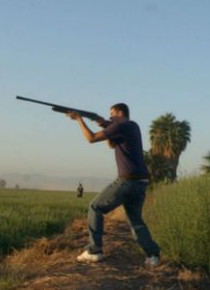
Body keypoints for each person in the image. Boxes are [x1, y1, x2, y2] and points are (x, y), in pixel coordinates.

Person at [69, 102, 161, 267]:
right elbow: (112, 144)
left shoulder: (122, 125)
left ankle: (94, 250)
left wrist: (79, 119)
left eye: (112, 113)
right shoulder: (132, 126)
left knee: (95, 207)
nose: (110, 116)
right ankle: (152, 256)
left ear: (120, 113)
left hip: (127, 180)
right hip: (140, 182)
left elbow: (91, 139)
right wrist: (101, 122)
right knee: (135, 220)